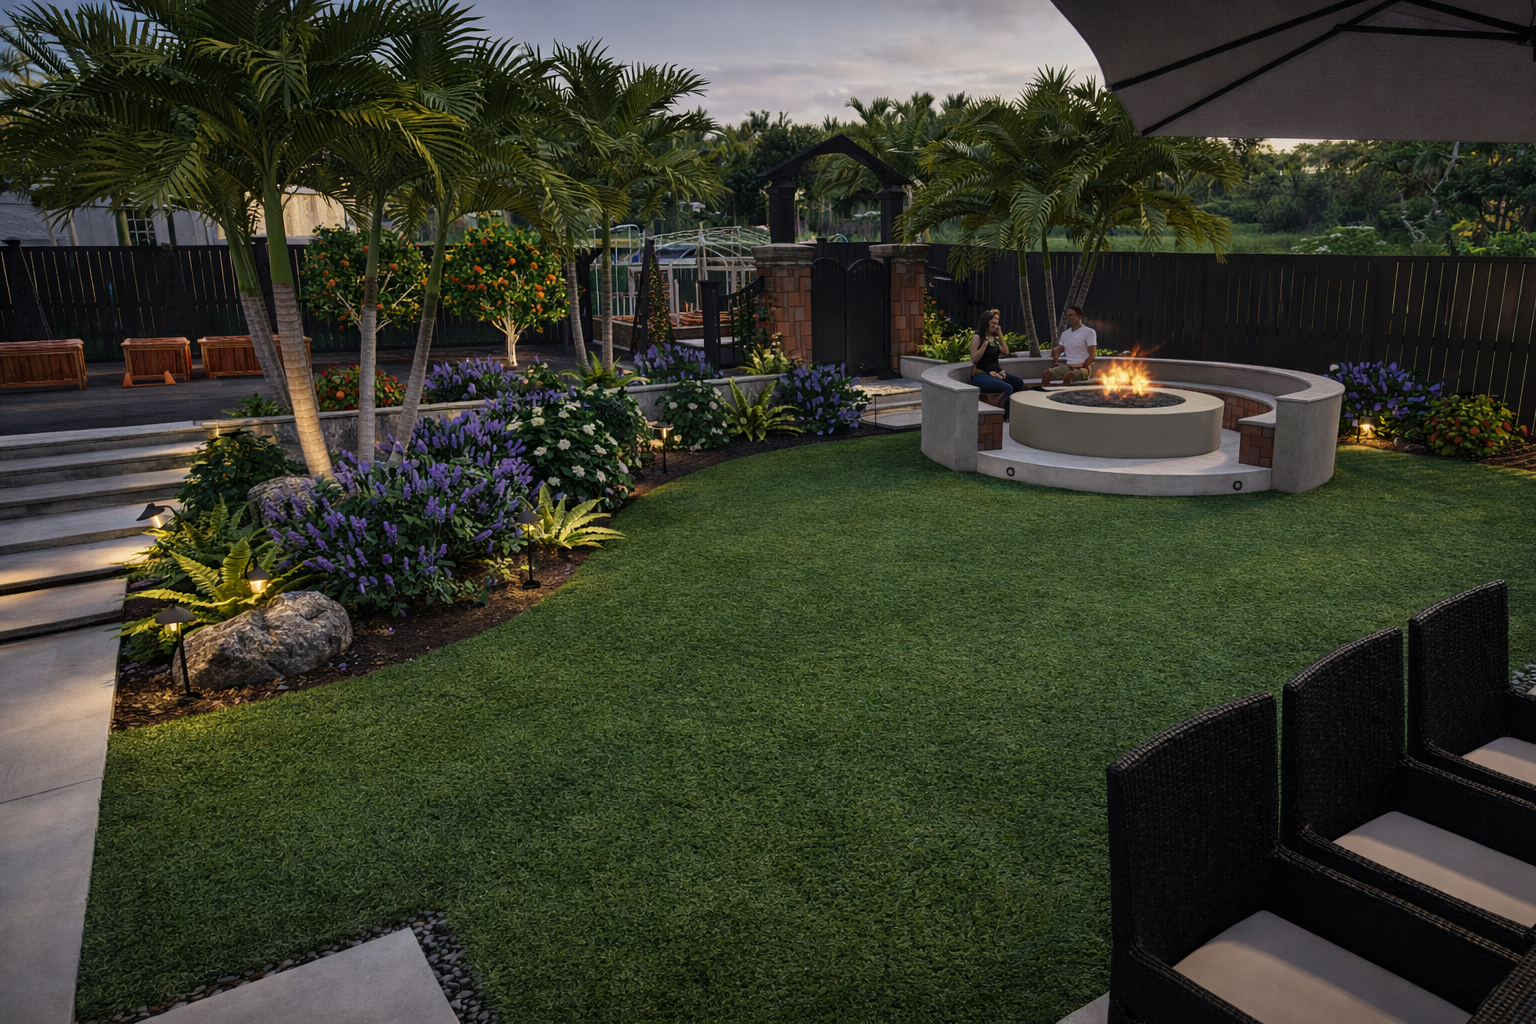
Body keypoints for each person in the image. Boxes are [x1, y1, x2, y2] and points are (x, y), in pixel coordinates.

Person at [969, 309, 1029, 416]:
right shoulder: (978, 337)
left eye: (997, 324)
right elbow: (974, 359)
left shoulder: (994, 338)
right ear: (986, 322)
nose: (995, 326)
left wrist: (1000, 335)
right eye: (993, 323)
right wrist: (985, 344)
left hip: (995, 372)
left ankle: (1010, 408)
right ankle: (1004, 414)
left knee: (1018, 383)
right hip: (980, 374)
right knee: (1008, 387)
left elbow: (1006, 352)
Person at [1043, 305, 1097, 385]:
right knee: (1046, 373)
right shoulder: (1065, 334)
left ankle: (1064, 396)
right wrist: (1056, 352)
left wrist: (1081, 366)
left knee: (1068, 376)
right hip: (1067, 366)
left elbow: (1092, 355)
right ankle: (1044, 392)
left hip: (1083, 368)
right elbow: (1061, 348)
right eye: (1067, 316)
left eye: (1070, 315)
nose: (1068, 317)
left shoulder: (1089, 332)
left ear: (1079, 316)